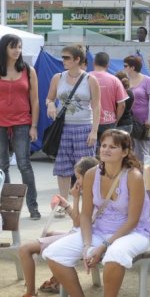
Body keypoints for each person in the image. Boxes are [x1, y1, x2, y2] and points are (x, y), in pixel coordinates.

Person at [43, 129, 150, 297]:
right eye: (103, 145)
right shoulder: (91, 174)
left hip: (132, 233)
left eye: (113, 147)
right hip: (99, 231)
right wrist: (87, 246)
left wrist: (103, 246)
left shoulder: (133, 176)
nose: (106, 150)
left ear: (125, 152)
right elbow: (86, 215)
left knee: (115, 254)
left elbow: (133, 221)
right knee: (54, 253)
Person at [19, 156, 99, 297]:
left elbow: (78, 224)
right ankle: (56, 280)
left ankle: (31, 292)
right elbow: (78, 224)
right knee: (48, 234)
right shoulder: (91, 191)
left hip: (83, 237)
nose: (76, 181)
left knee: (25, 249)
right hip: (80, 234)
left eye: (78, 177)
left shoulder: (92, 194)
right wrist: (68, 203)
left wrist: (73, 199)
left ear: (89, 176)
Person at [46, 45, 100, 210]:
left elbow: (97, 106)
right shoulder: (58, 77)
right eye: (63, 57)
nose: (64, 60)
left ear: (78, 59)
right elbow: (49, 98)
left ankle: (87, 204)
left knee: (86, 168)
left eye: (67, 57)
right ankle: (63, 203)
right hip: (63, 128)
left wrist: (94, 131)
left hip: (84, 126)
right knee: (62, 167)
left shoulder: (90, 79)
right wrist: (50, 105)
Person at [0, 34, 41, 220]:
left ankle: (33, 207)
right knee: (2, 166)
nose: (17, 50)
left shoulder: (28, 70)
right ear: (4, 48)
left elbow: (35, 100)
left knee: (24, 164)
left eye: (19, 47)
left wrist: (34, 125)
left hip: (23, 122)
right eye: (13, 47)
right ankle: (7, 208)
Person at [90, 52, 128, 145]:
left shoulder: (85, 78)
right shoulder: (115, 80)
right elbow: (122, 105)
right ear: (108, 65)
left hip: (89, 120)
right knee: (106, 150)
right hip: (108, 120)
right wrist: (116, 119)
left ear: (93, 63)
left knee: (89, 150)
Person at [123, 55, 150, 161]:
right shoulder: (125, 80)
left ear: (132, 67)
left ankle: (144, 174)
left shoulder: (147, 80)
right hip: (128, 121)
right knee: (128, 149)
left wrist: (149, 118)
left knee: (142, 151)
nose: (124, 68)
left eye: (125, 65)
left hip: (143, 122)